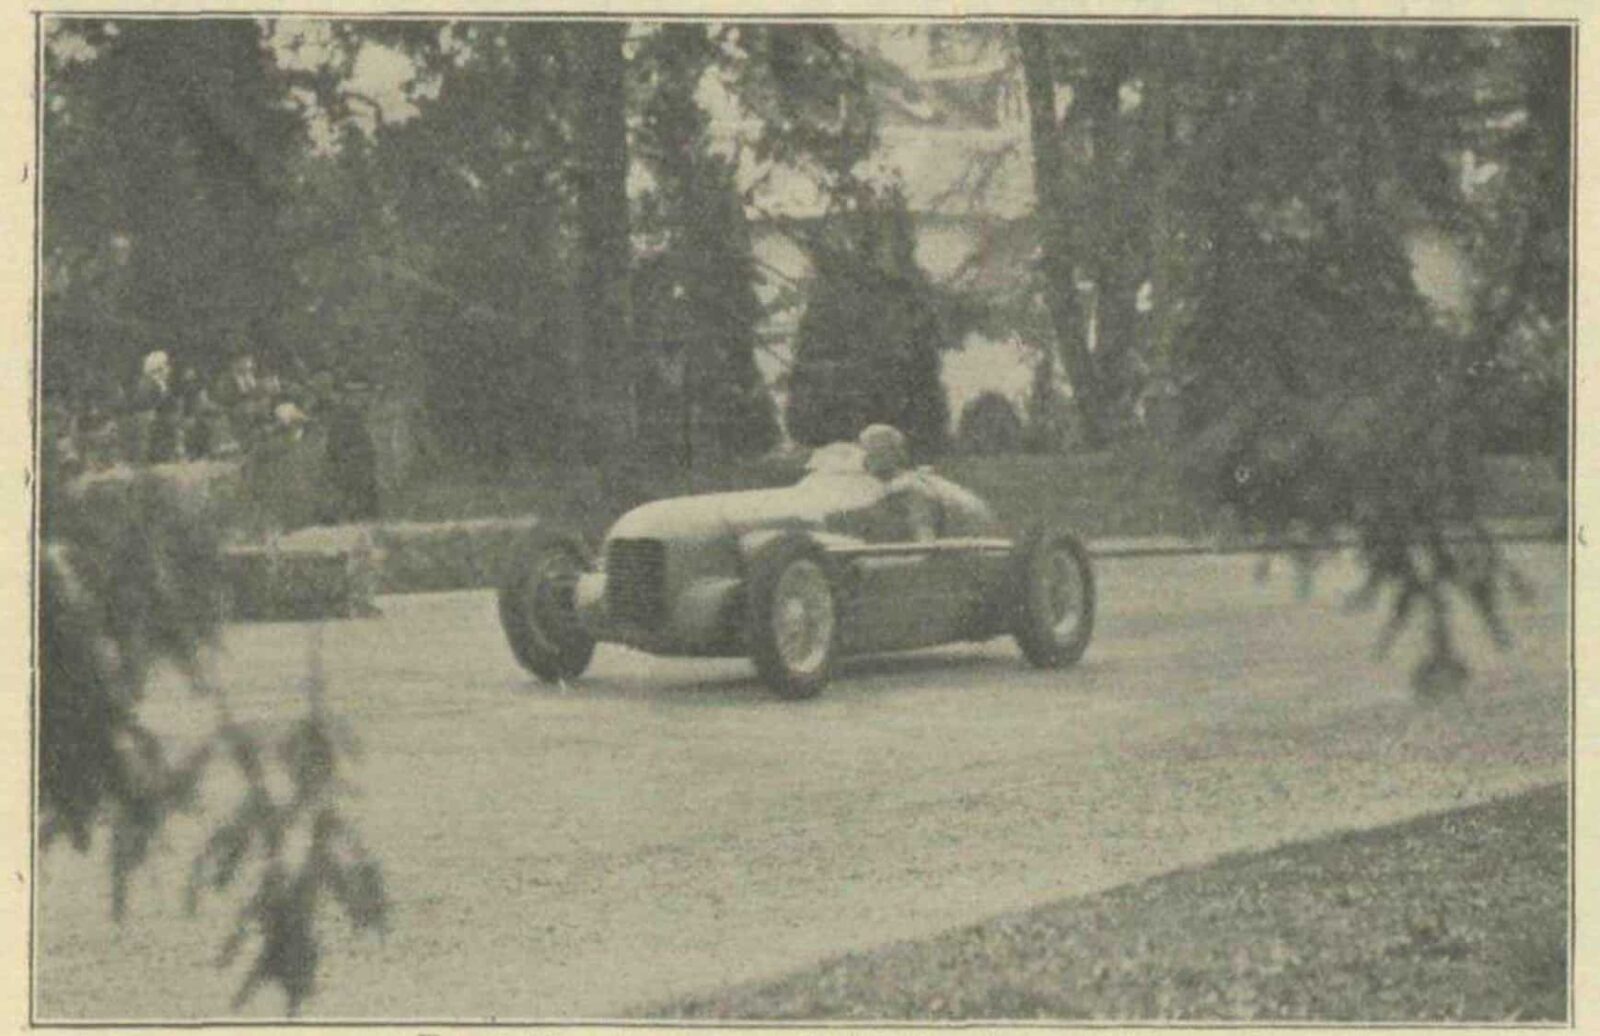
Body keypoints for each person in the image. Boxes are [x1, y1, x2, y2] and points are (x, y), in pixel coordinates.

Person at [858, 423, 939, 540]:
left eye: (878, 450)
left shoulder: (910, 487)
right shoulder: (875, 489)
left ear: (896, 453)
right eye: (866, 450)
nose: (868, 458)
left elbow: (924, 534)